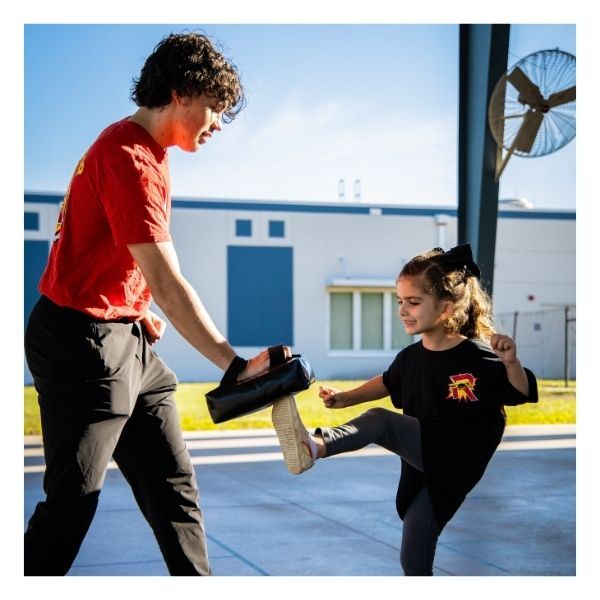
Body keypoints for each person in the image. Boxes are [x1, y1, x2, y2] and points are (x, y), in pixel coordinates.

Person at [24, 31, 281, 576]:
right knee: (72, 504)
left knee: (174, 489)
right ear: (181, 91)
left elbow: (115, 256)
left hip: (128, 342)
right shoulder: (128, 157)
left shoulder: (149, 153)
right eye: (213, 108)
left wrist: (135, 308)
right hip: (81, 344)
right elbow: (167, 278)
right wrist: (233, 367)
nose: (217, 124)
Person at [271, 244, 538, 575]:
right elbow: (387, 382)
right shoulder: (410, 359)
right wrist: (345, 398)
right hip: (427, 463)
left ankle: (315, 446)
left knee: (381, 422)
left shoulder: (477, 356)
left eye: (413, 302)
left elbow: (519, 392)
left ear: (444, 309)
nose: (403, 309)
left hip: (459, 453)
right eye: (400, 301)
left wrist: (511, 363)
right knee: (413, 556)